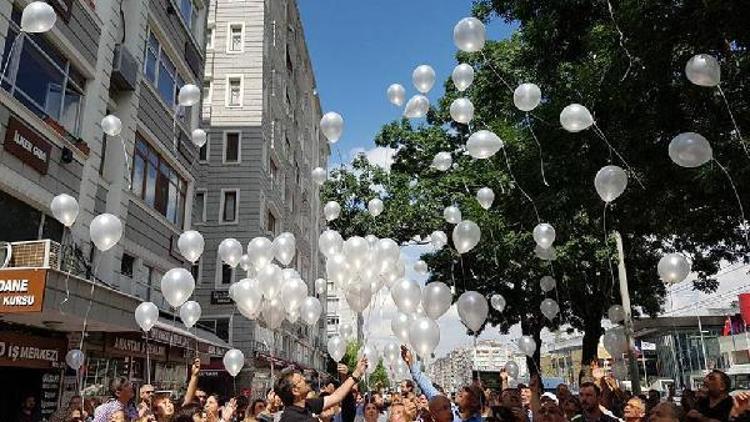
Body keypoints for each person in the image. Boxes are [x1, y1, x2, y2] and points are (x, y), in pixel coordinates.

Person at [402, 346, 482, 422]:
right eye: (463, 388)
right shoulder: (445, 405)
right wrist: (411, 362)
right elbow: (426, 385)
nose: (461, 391)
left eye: (467, 391)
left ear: (475, 401)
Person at [274, 356, 367, 422]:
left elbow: (336, 396)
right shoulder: (291, 418)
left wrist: (356, 373)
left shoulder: (308, 404)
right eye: (300, 380)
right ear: (295, 391)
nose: (305, 379)